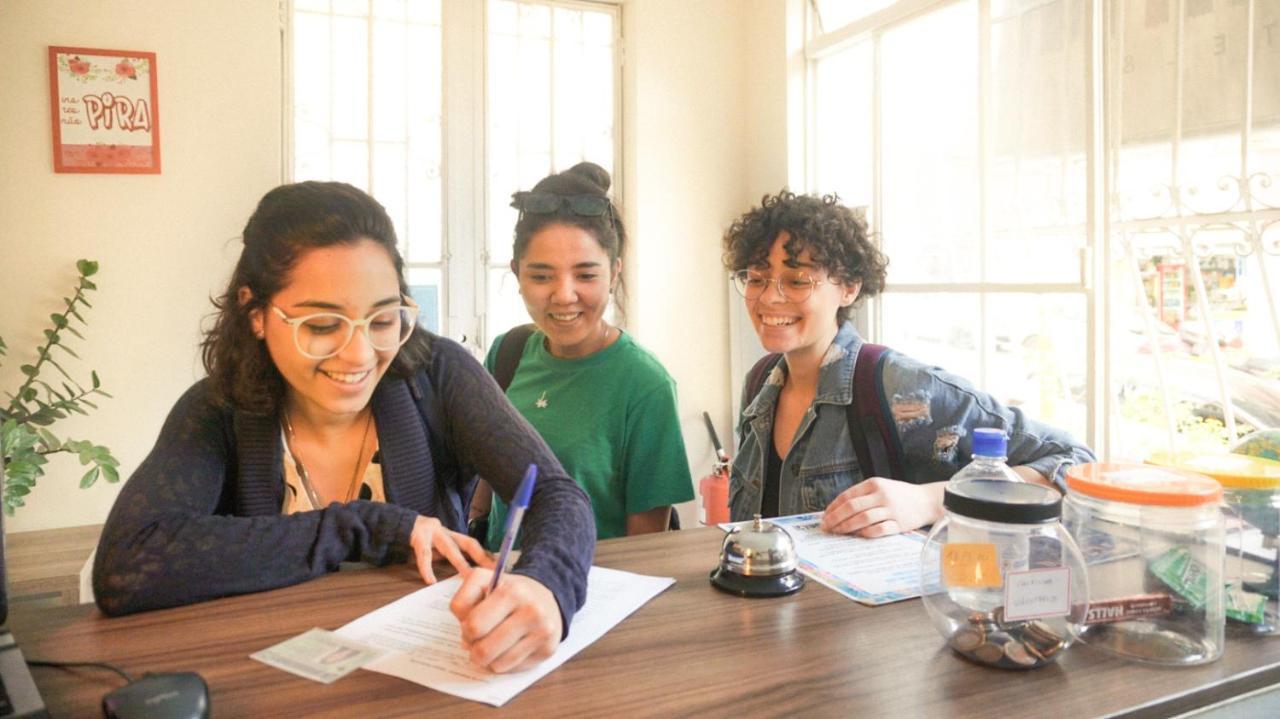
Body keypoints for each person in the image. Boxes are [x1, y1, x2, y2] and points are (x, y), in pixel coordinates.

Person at [92, 181, 595, 674]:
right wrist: (361, 526)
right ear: (256, 312)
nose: (359, 356)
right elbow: (127, 567)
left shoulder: (437, 374)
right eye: (321, 325)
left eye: (381, 321)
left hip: (433, 680)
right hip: (271, 685)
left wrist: (547, 586)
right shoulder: (218, 409)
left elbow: (557, 494)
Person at [722, 190, 1095, 536]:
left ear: (849, 287)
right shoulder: (759, 385)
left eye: (798, 280)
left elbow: (1075, 464)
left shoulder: (899, 387)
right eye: (757, 278)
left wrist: (931, 500)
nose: (770, 297)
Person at [471, 162, 694, 547]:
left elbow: (645, 550)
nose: (563, 295)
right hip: (499, 587)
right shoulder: (506, 354)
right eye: (541, 276)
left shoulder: (645, 384)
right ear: (517, 273)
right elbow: (485, 478)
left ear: (614, 273)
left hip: (589, 596)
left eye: (586, 275)